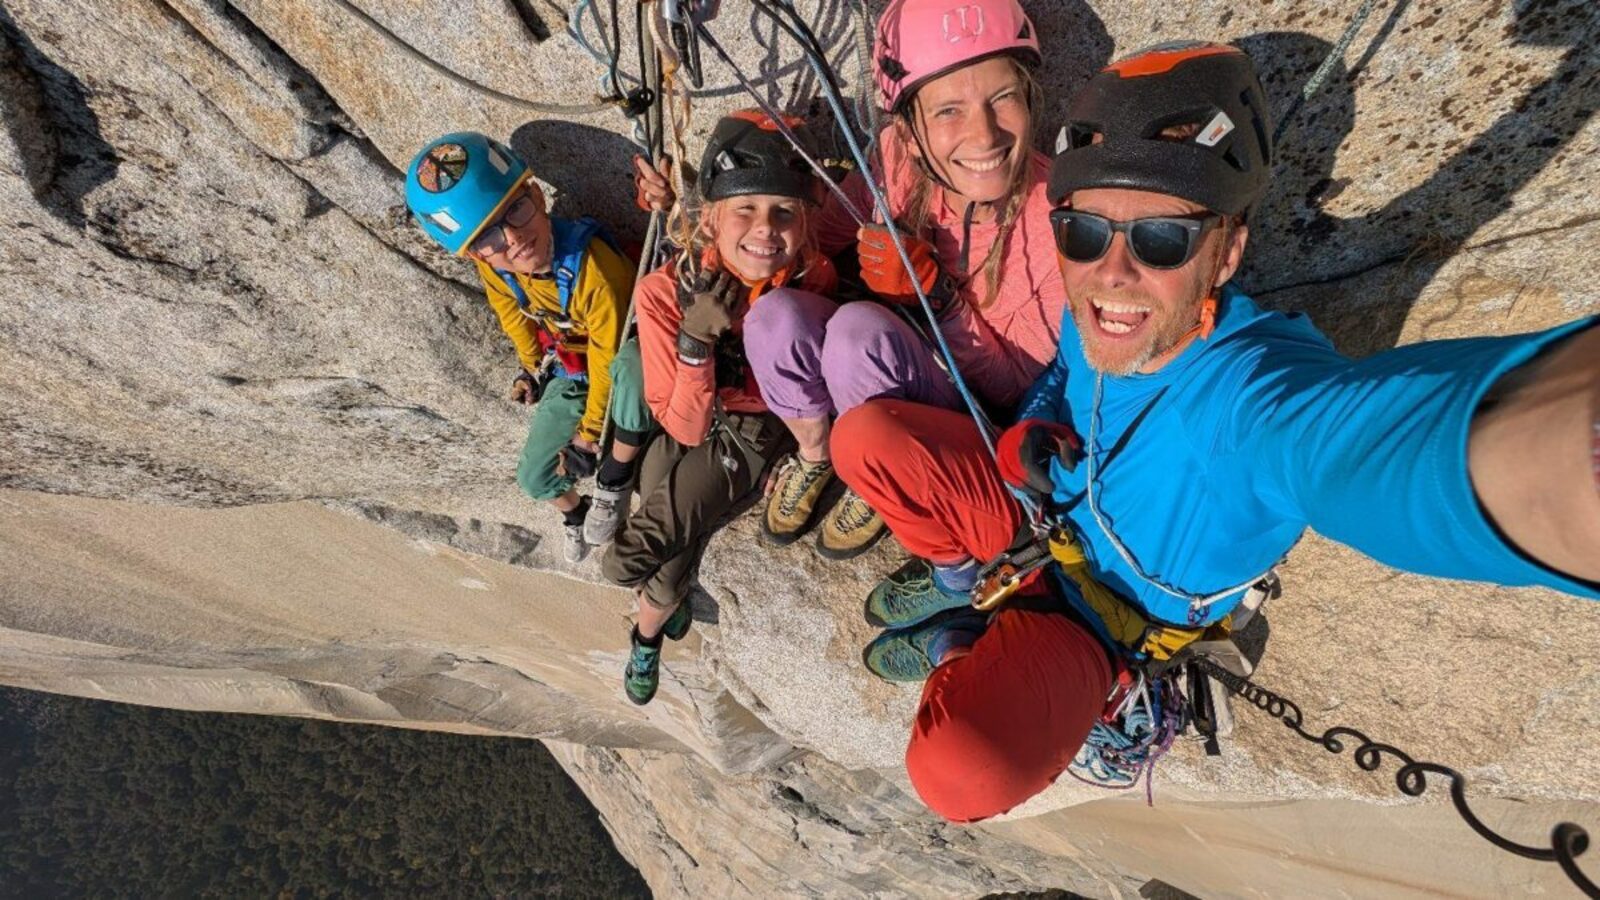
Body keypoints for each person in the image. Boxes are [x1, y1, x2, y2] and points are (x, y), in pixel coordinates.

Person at [830, 41, 1600, 822]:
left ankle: (955, 644)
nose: (1112, 273)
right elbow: (1070, 365)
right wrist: (1035, 417)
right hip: (1040, 535)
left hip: (1104, 633)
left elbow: (1389, 452)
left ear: (1228, 249)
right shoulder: (1097, 308)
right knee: (864, 441)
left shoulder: (1251, 400)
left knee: (962, 769)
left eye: (1162, 239)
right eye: (1084, 233)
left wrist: (1566, 452)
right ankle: (965, 595)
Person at [632, 0, 1066, 562]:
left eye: (1003, 97)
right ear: (908, 127)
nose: (983, 136)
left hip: (967, 412)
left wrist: (940, 300)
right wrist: (692, 218)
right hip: (893, 361)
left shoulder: (1054, 222)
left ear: (1031, 98)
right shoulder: (895, 159)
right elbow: (821, 232)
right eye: (948, 110)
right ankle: (815, 457)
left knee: (859, 330)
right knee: (776, 315)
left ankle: (872, 476)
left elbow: (1014, 391)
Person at [601, 110, 837, 705]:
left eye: (785, 212)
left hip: (750, 431)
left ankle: (650, 625)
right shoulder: (665, 291)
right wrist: (693, 345)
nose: (767, 229)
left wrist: (698, 349)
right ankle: (650, 635)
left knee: (632, 557)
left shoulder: (812, 276)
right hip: (694, 414)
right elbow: (681, 421)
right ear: (712, 217)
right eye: (746, 210)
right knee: (662, 534)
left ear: (806, 222)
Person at [405, 133, 654, 564]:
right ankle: (576, 513)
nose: (513, 239)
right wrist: (531, 368)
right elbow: (513, 316)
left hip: (619, 367)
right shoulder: (498, 272)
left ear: (535, 195)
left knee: (632, 370)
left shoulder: (594, 269)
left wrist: (589, 436)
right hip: (574, 372)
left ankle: (613, 485)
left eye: (516, 209)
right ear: (474, 256)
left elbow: (609, 354)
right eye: (488, 238)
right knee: (534, 478)